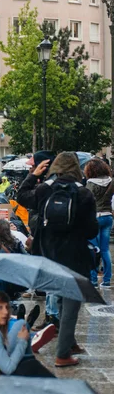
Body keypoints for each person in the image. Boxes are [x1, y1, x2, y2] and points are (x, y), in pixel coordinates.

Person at [17, 152, 98, 367]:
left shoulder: (45, 189)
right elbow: (91, 231)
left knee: (61, 296)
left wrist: (33, 175)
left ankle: (69, 342)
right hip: (74, 255)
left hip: (48, 254)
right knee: (71, 302)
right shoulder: (84, 194)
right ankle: (62, 354)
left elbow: (22, 196)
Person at [84, 158, 114, 288]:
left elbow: (87, 202)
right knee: (105, 250)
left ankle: (93, 280)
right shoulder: (111, 182)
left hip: (95, 218)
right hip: (108, 217)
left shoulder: (90, 183)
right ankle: (107, 280)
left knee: (94, 250)